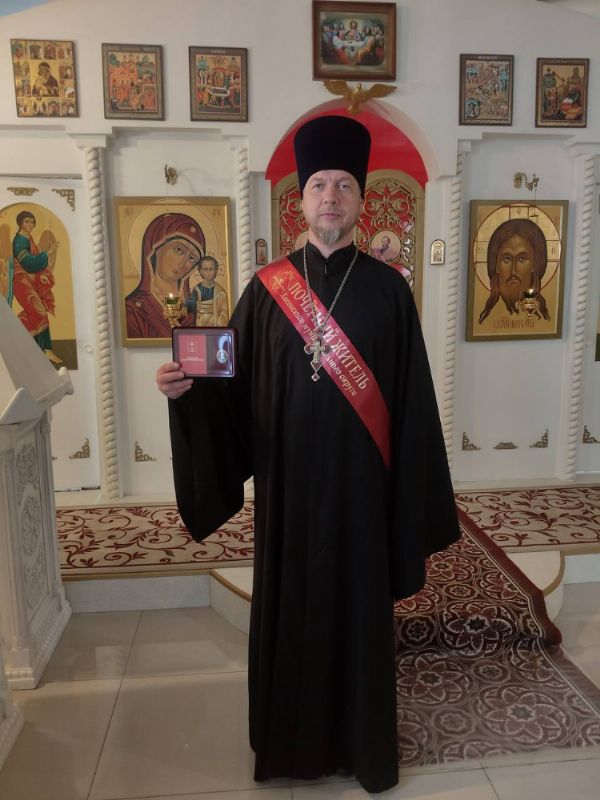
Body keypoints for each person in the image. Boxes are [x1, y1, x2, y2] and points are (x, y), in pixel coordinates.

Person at [156, 115, 459, 793]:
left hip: (362, 493)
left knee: (357, 611)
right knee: (293, 609)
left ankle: (360, 746)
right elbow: (224, 388)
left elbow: (412, 403)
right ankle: (289, 747)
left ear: (360, 201)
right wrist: (184, 394)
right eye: (319, 184)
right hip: (289, 492)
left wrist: (410, 501)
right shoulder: (267, 291)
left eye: (344, 185)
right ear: (301, 200)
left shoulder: (389, 291)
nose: (330, 197)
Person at [125, 212, 204, 339]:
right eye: (179, 250)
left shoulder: (191, 309)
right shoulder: (133, 309)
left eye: (191, 258)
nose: (183, 262)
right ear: (156, 247)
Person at [10, 210, 62, 363]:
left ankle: (23, 347)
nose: (30, 224)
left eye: (32, 222)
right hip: (21, 282)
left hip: (30, 281)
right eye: (27, 221)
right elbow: (29, 263)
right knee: (39, 311)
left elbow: (34, 264)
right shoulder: (19, 241)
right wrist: (48, 253)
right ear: (20, 223)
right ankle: (47, 350)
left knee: (30, 315)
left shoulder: (28, 238)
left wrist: (42, 274)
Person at [478, 216, 550, 324]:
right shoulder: (487, 318)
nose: (513, 271)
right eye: (507, 259)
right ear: (496, 265)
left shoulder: (543, 319)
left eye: (522, 258)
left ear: (534, 265)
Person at [184, 255, 229, 326]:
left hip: (215, 325)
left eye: (211, 269)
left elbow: (224, 312)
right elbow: (190, 308)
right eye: (205, 269)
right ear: (201, 271)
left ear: (216, 270)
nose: (208, 272)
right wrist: (193, 305)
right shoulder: (197, 290)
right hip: (200, 324)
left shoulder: (220, 291)